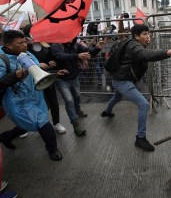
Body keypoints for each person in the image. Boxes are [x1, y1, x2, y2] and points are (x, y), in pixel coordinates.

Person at [100, 24, 171, 151]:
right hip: (122, 81)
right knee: (143, 104)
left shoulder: (130, 42)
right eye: (144, 34)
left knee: (116, 97)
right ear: (136, 36)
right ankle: (140, 138)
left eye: (149, 33)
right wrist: (169, 52)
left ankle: (107, 112)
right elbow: (146, 54)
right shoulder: (134, 46)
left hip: (120, 79)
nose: (148, 36)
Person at [0, 30, 62, 161]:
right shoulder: (2, 60)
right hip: (17, 101)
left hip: (35, 97)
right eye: (20, 42)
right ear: (9, 45)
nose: (25, 44)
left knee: (29, 124)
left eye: (25, 41)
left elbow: (37, 72)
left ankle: (5, 137)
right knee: (43, 123)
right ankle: (52, 148)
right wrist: (14, 76)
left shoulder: (28, 55)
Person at [51, 37, 104, 136]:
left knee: (77, 96)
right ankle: (75, 123)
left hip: (74, 77)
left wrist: (98, 47)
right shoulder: (56, 46)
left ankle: (78, 110)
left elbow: (89, 51)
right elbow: (61, 56)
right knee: (69, 100)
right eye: (68, 35)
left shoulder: (75, 45)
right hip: (61, 79)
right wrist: (77, 56)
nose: (71, 37)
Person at [23, 25, 66, 134]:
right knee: (33, 104)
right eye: (33, 31)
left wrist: (53, 62)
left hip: (47, 77)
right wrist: (37, 64)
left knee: (53, 102)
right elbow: (22, 61)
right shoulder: (25, 47)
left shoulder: (46, 45)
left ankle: (56, 123)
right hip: (32, 80)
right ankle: (24, 127)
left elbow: (53, 58)